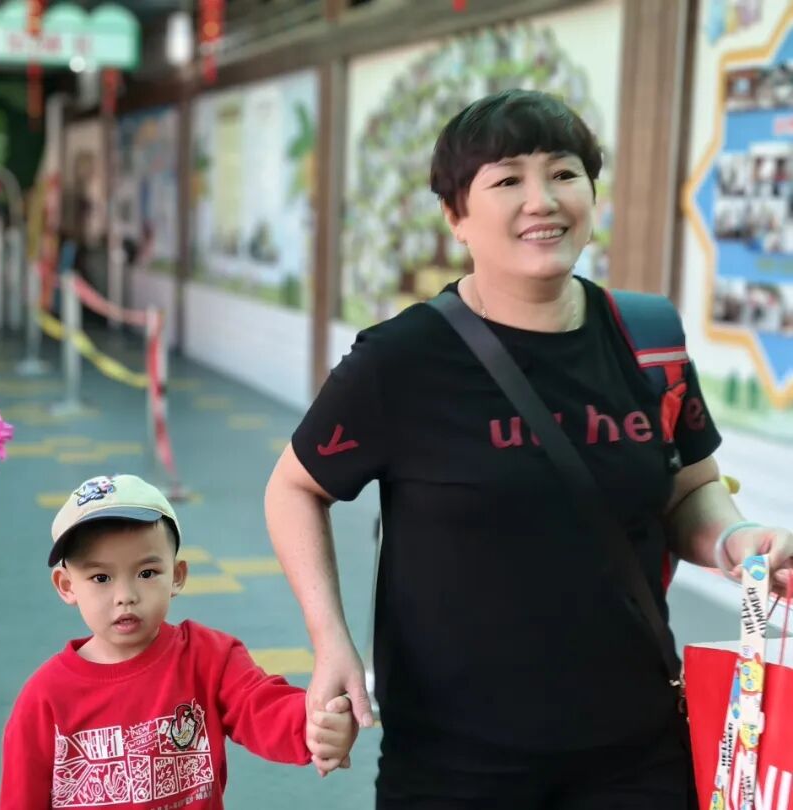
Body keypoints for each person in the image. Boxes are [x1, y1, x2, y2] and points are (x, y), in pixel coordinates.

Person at [264, 89, 793, 809]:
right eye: (508, 179)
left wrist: (735, 541)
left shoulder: (647, 338)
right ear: (455, 215)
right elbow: (296, 487)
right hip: (456, 767)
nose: (542, 200)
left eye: (564, 173)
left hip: (636, 753)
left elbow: (689, 488)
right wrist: (331, 641)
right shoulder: (404, 359)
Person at [0, 474, 358, 809]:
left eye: (147, 573)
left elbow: (261, 707)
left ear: (177, 576)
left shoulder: (209, 658)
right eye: (101, 578)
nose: (125, 596)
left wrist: (315, 725)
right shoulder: (44, 699)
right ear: (66, 586)